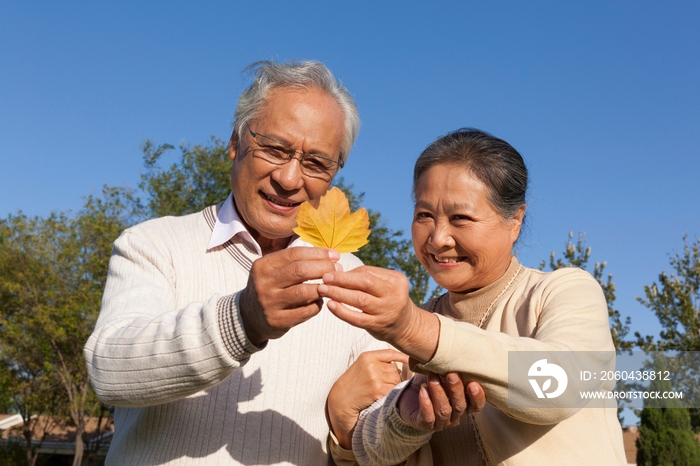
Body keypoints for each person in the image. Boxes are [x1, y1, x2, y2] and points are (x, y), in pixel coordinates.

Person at [84, 60, 482, 466]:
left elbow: (363, 439)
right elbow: (108, 371)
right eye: (274, 149)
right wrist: (242, 320)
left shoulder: (349, 275)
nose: (290, 179)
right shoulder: (154, 244)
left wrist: (405, 417)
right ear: (235, 143)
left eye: (316, 163)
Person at [321, 128, 628, 465]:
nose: (438, 239)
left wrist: (415, 330)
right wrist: (404, 421)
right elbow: (367, 455)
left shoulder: (565, 291)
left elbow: (560, 387)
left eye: (460, 218)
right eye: (424, 215)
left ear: (515, 221)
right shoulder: (397, 341)